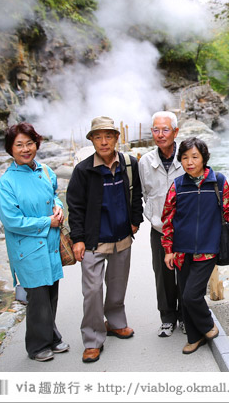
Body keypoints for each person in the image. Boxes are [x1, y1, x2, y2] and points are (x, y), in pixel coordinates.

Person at [161, 137, 229, 354]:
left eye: (194, 157)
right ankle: (194, 337)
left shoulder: (217, 181)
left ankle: (208, 325)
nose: (189, 162)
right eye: (184, 157)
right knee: (186, 296)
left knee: (191, 294)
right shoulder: (177, 185)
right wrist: (168, 250)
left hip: (208, 249)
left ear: (204, 158)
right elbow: (168, 219)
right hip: (182, 251)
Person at [67, 116, 143, 363]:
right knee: (92, 291)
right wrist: (77, 239)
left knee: (118, 285)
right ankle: (92, 339)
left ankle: (116, 322)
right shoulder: (83, 170)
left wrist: (135, 220)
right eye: (97, 137)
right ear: (91, 140)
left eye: (108, 136)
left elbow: (136, 194)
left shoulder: (129, 164)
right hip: (93, 241)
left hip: (122, 236)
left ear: (116, 138)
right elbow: (75, 207)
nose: (103, 141)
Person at [0, 122, 68, 362]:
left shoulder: (45, 170)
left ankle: (52, 337)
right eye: (19, 145)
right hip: (27, 247)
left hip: (50, 244)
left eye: (29, 143)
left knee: (51, 293)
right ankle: (37, 346)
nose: (26, 149)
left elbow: (54, 195)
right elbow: (12, 221)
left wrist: (58, 209)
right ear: (10, 149)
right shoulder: (7, 182)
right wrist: (48, 222)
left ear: (36, 144)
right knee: (37, 297)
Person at [138, 111, 185, 338]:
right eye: (156, 130)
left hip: (185, 230)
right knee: (162, 274)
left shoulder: (187, 156)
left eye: (165, 129)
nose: (160, 134)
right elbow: (144, 193)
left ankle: (186, 316)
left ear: (175, 132)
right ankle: (167, 318)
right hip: (159, 229)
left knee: (186, 273)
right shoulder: (146, 161)